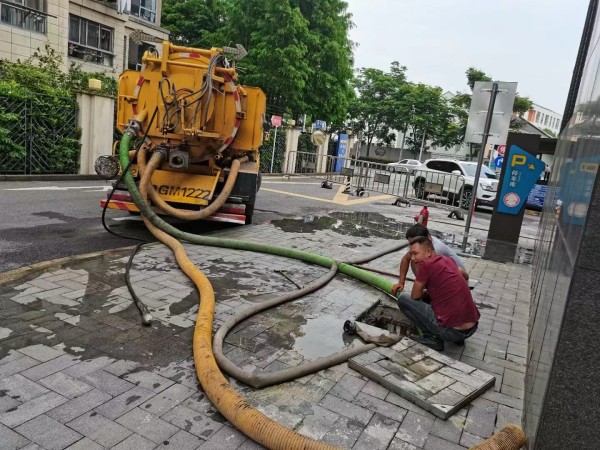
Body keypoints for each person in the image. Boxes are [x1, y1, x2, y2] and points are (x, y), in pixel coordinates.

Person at [394, 236, 480, 351]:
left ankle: (432, 339)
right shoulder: (447, 260)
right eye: (411, 255)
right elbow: (464, 275)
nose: (413, 258)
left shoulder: (426, 265)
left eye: (415, 254)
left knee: (404, 299)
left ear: (428, 252)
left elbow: (415, 296)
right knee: (433, 297)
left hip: (453, 332)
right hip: (472, 328)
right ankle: (458, 339)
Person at [392, 224, 468, 295]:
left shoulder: (436, 248)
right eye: (411, 243)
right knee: (414, 259)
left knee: (418, 262)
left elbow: (462, 273)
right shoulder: (426, 242)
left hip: (457, 284)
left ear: (428, 238)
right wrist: (401, 283)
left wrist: (418, 290)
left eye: (415, 243)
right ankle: (427, 288)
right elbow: (405, 259)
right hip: (447, 278)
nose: (413, 246)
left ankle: (428, 289)